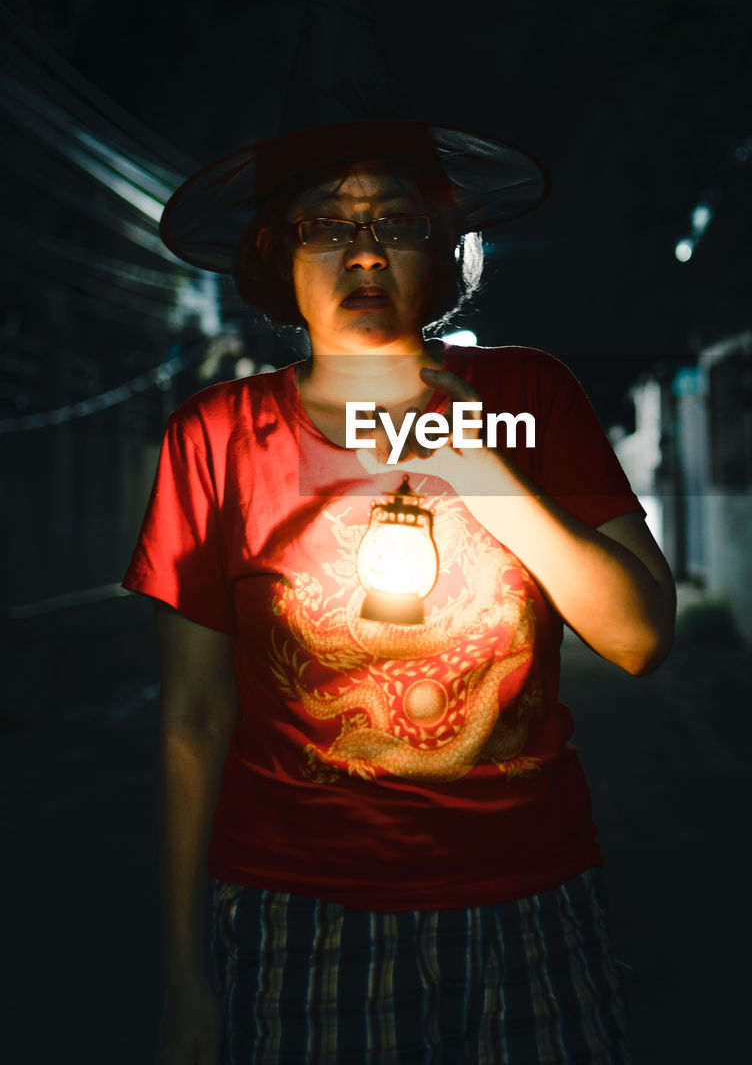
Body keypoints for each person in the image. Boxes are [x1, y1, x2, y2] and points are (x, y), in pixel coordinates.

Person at [124, 139, 676, 1064]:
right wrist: (184, 972)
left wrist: (476, 469)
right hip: (301, 918)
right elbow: (190, 716)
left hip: (530, 902)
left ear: (445, 251)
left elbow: (638, 639)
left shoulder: (529, 397)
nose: (366, 249)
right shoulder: (217, 437)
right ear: (275, 257)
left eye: (397, 221)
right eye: (328, 225)